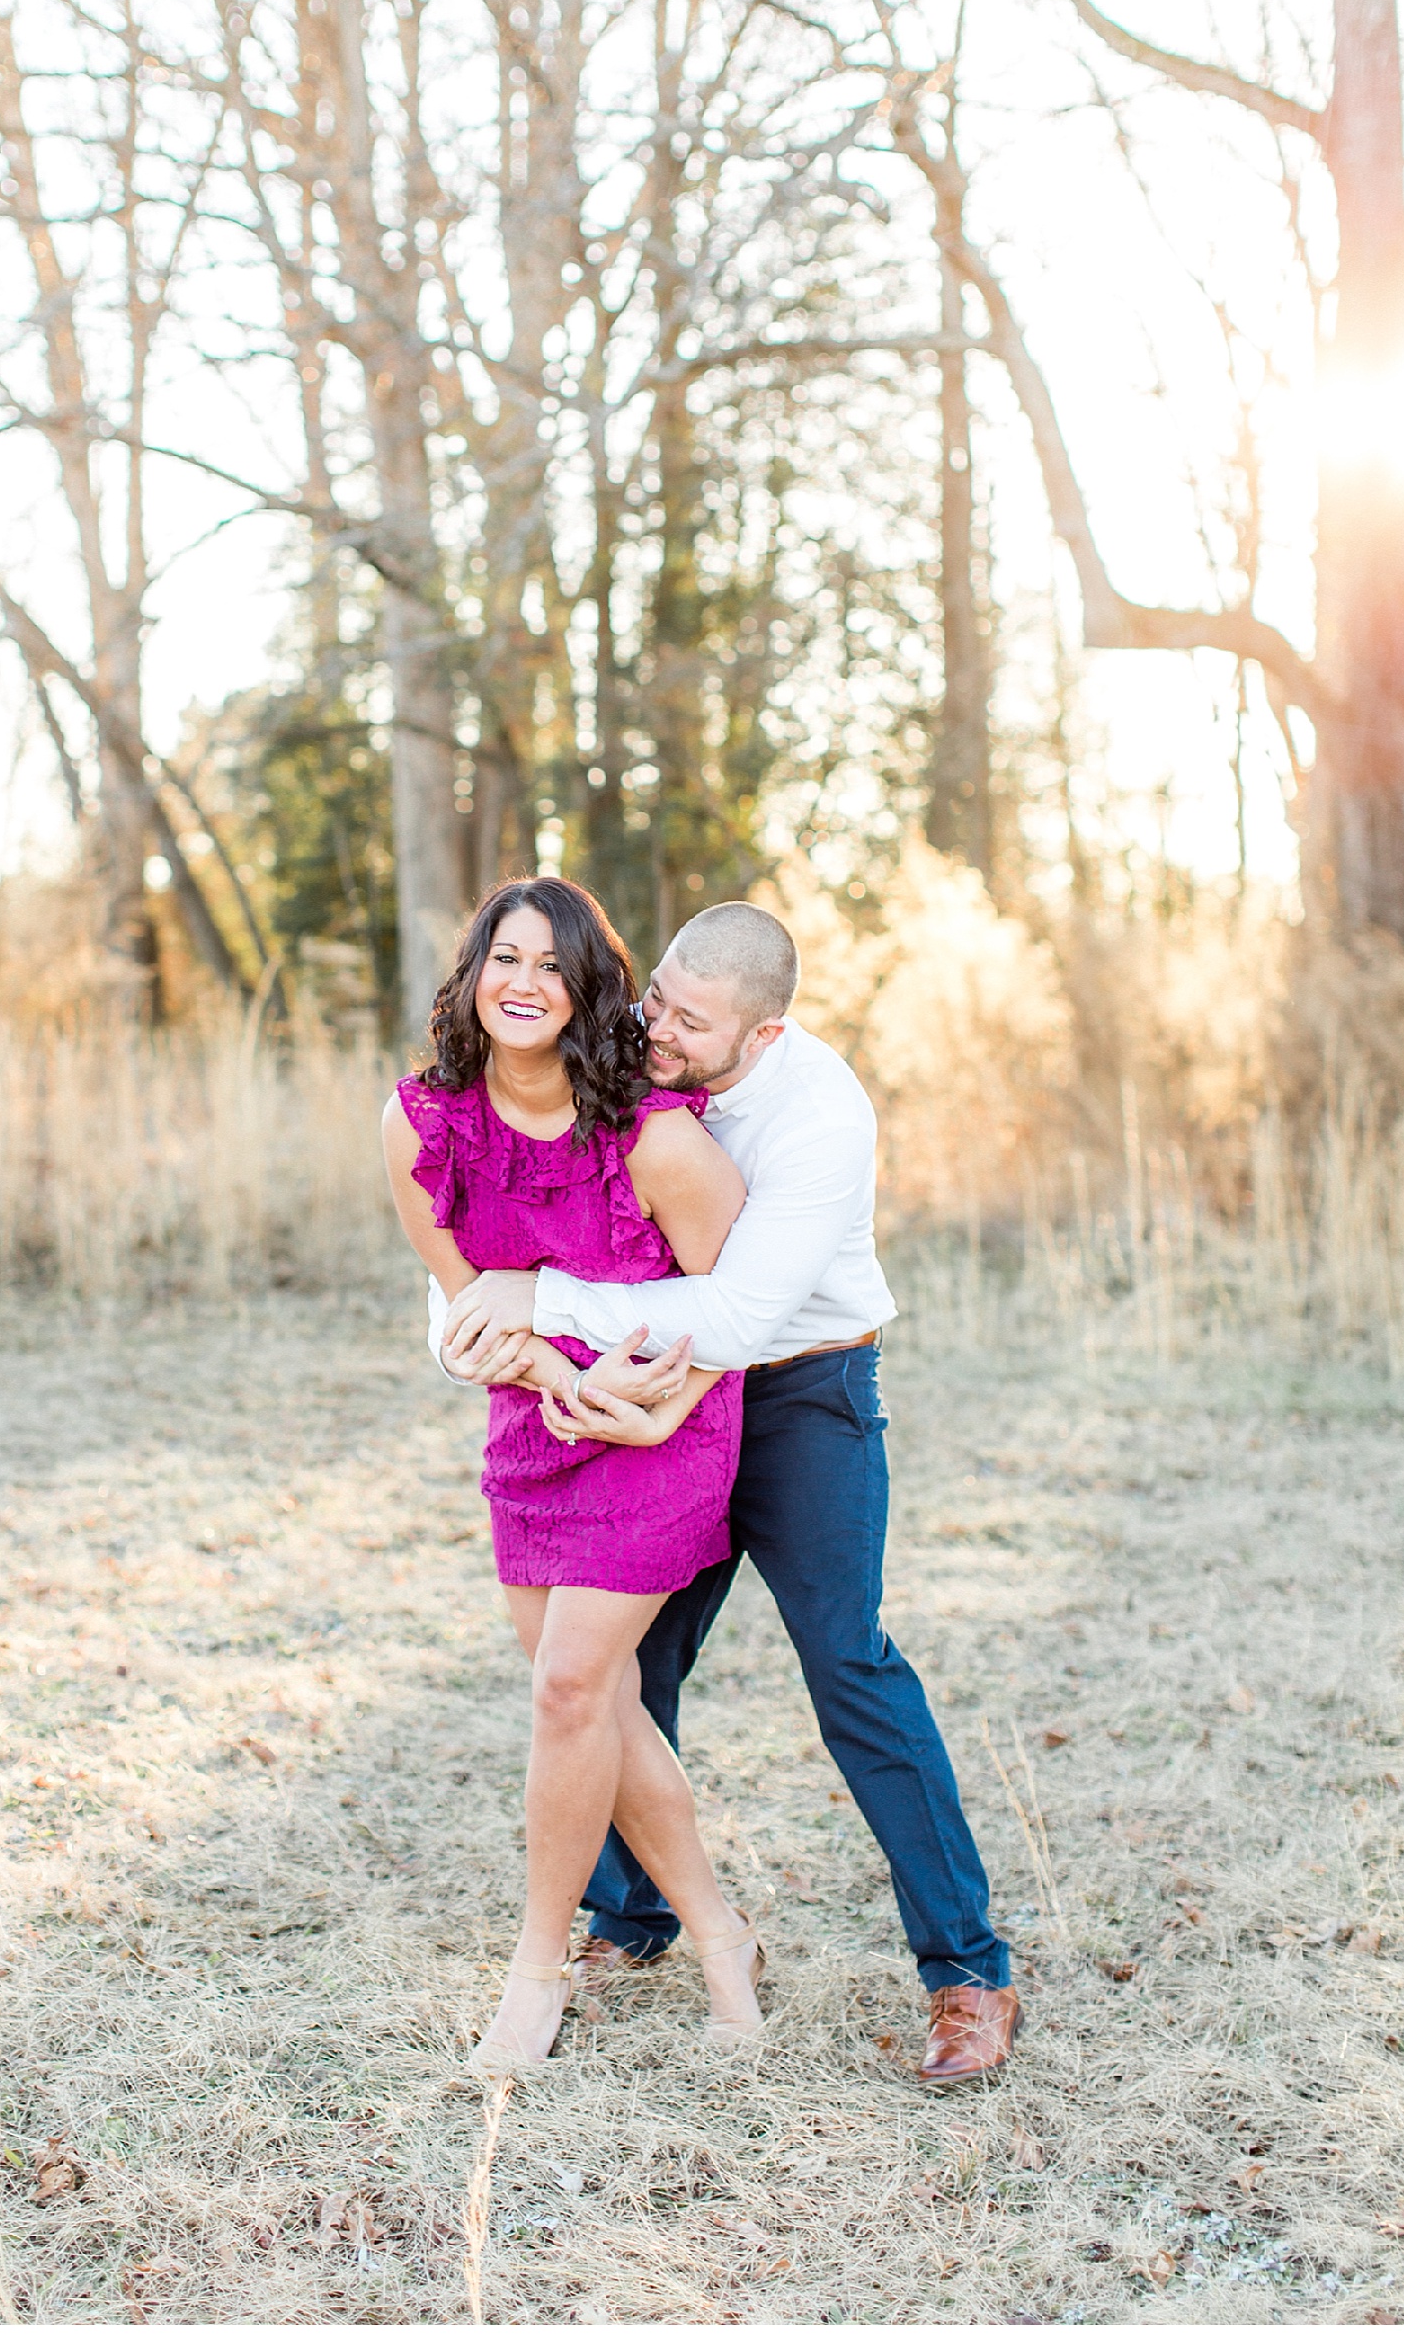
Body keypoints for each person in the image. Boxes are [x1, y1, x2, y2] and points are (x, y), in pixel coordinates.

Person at [436, 900, 1021, 2088]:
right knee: (616, 1669)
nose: (655, 1025)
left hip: (804, 1395)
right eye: (657, 994)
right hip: (655, 1396)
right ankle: (631, 1918)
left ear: (762, 1037)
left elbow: (745, 1314)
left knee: (849, 1664)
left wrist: (537, 1298)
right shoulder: (623, 1054)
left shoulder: (818, 1113)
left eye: (690, 1021)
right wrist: (531, 1321)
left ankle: (967, 1968)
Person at [379, 876, 768, 2070]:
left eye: (554, 964)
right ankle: (720, 1938)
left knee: (565, 1692)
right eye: (506, 956)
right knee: (599, 1703)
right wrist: (548, 1370)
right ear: (474, 974)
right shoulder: (423, 1126)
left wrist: (642, 1398)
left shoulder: (654, 1134)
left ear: (590, 987)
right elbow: (464, 1307)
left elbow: (742, 1307)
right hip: (531, 1435)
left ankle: (535, 1974)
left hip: (663, 1434)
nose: (525, 983)